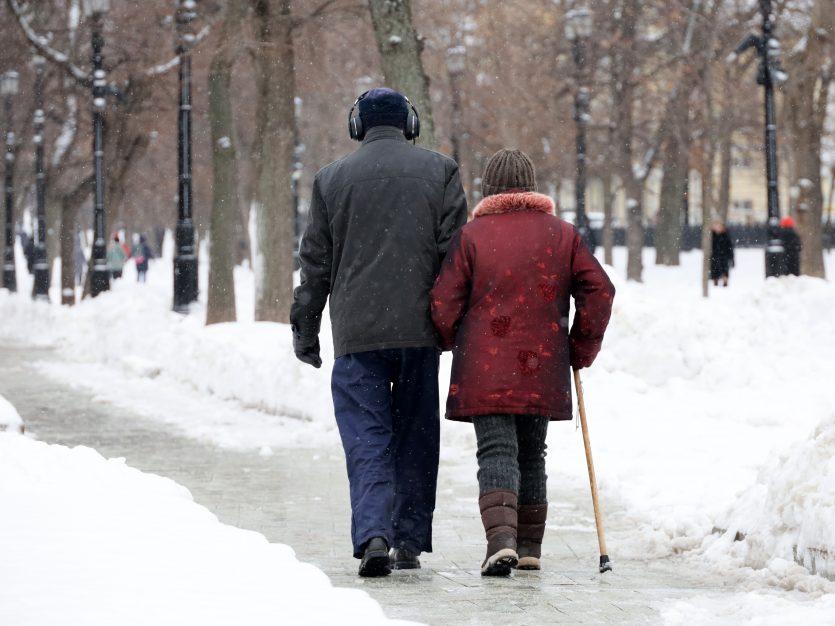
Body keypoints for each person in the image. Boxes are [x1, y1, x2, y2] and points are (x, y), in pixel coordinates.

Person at [290, 87, 467, 577]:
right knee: (416, 433)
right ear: (409, 124)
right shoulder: (442, 171)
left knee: (367, 438)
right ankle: (408, 538)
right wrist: (449, 324)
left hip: (357, 334)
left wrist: (306, 329)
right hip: (418, 332)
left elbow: (315, 265)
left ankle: (373, 534)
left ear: (357, 126)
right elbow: (456, 259)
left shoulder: (330, 180)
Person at [430, 149, 615, 576]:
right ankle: (529, 547)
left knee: (496, 449)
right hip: (543, 362)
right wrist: (579, 345)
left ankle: (501, 543)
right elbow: (599, 291)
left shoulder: (472, 236)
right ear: (532, 187)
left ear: (488, 190)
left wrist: (453, 338)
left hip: (485, 365)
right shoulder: (563, 235)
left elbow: (443, 301)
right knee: (533, 453)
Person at [709, 220, 734, 287]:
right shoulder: (712, 235)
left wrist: (731, 256)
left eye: (719, 226)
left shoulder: (725, 235)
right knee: (714, 269)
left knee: (724, 269)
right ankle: (715, 281)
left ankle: (725, 282)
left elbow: (730, 246)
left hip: (724, 256)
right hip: (714, 255)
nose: (717, 228)